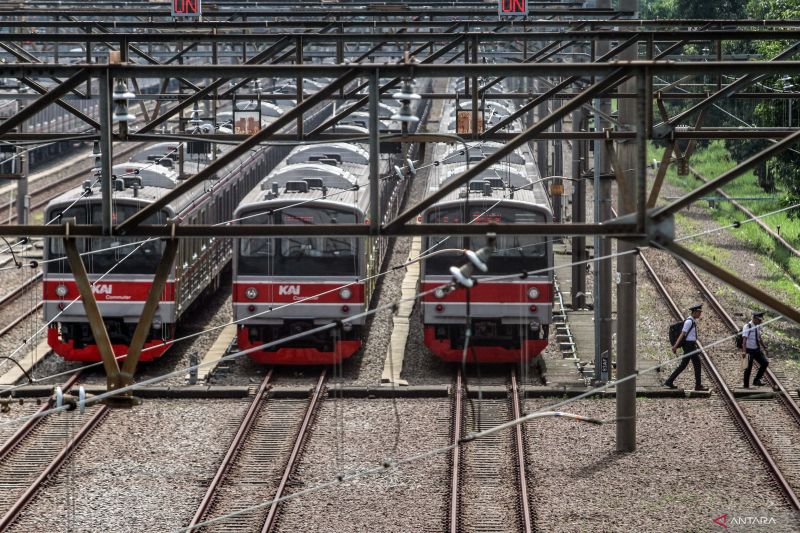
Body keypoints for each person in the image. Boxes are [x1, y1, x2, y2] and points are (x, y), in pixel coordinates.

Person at [664, 304, 708, 391]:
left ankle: (669, 381)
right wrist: (675, 346)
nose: (700, 314)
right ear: (694, 312)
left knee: (685, 365)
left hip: (691, 346)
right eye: (699, 312)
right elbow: (682, 334)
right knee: (696, 364)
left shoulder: (692, 321)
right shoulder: (689, 322)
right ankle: (698, 386)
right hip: (689, 346)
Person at [742, 311, 769, 388]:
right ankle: (746, 386)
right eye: (759, 320)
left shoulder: (757, 326)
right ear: (754, 318)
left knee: (765, 363)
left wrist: (765, 347)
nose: (760, 321)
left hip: (756, 350)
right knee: (748, 368)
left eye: (761, 320)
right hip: (748, 350)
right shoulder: (747, 326)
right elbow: (744, 340)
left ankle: (756, 380)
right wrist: (744, 351)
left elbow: (759, 338)